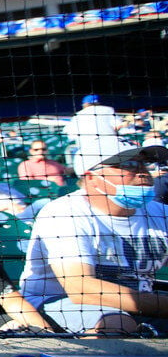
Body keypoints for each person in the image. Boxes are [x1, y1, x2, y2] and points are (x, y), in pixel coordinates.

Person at [19, 138, 168, 335]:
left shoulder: (159, 212)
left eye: (144, 163)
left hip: (138, 302)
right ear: (91, 177)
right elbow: (81, 288)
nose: (142, 172)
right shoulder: (65, 212)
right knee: (118, 325)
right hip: (58, 302)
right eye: (129, 164)